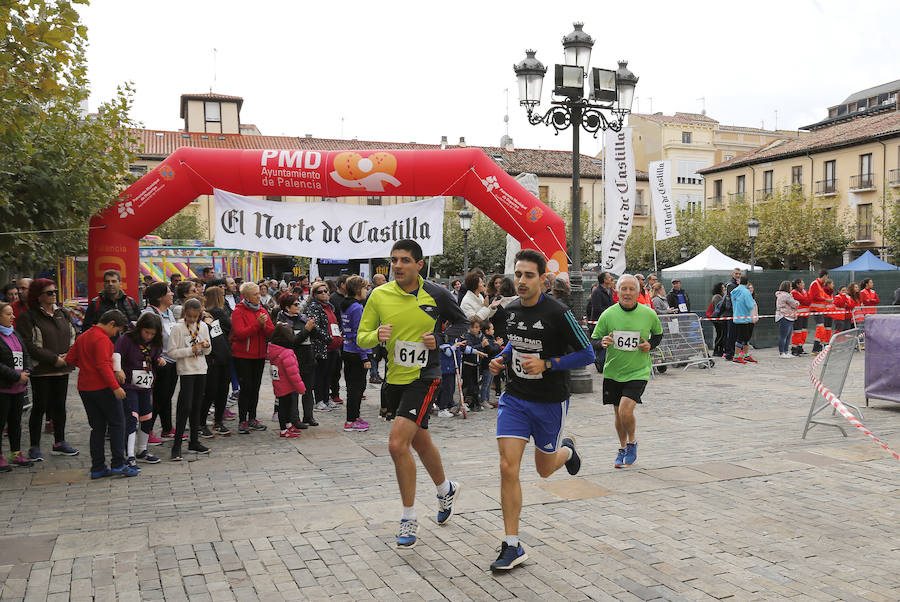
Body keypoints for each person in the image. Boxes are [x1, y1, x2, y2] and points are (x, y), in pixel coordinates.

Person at [487, 249, 594, 570]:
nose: (521, 281)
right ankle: (512, 544)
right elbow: (515, 342)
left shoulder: (559, 313)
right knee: (508, 467)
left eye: (528, 275)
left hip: (550, 401)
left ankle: (567, 451)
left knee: (544, 469)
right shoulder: (512, 309)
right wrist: (502, 359)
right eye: (517, 274)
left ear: (543, 279)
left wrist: (548, 363)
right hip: (515, 398)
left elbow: (588, 353)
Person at [356, 239, 467, 549]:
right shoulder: (379, 295)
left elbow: (462, 322)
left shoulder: (437, 294)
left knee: (396, 444)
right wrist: (376, 335)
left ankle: (408, 517)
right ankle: (445, 488)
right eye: (394, 260)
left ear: (419, 265)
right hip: (395, 379)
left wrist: (441, 338)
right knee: (419, 440)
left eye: (405, 260)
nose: (398, 265)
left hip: (425, 376)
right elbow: (362, 337)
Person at [591, 274, 663, 470]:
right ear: (617, 291)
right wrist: (602, 342)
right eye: (624, 289)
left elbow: (658, 334)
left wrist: (651, 345)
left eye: (632, 289)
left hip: (638, 371)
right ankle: (622, 448)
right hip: (613, 371)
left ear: (638, 292)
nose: (628, 293)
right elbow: (594, 339)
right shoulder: (608, 314)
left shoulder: (649, 314)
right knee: (618, 414)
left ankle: (632, 442)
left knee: (625, 410)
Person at [66, 309, 138, 478]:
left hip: (85, 388)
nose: (116, 334)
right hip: (103, 388)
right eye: (117, 330)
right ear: (111, 323)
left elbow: (70, 358)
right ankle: (118, 464)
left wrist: (85, 366)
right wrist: (115, 387)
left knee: (97, 428)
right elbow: (103, 366)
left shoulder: (83, 336)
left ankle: (97, 467)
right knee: (117, 424)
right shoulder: (103, 339)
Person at [17, 279, 78, 462]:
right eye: (49, 293)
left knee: (60, 406)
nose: (54, 295)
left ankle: (59, 442)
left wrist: (69, 356)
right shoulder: (29, 317)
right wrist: (53, 359)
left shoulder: (63, 313)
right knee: (40, 406)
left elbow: (74, 333)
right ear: (39, 296)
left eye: (54, 292)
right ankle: (34, 446)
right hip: (42, 369)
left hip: (63, 368)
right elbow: (27, 344)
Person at [114, 313, 165, 466]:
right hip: (129, 385)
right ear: (140, 328)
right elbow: (116, 354)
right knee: (132, 418)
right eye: (146, 332)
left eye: (152, 334)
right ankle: (129, 454)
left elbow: (155, 356)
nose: (148, 336)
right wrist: (118, 370)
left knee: (146, 417)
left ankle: (142, 450)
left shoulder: (155, 343)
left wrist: (159, 360)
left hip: (146, 385)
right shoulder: (127, 339)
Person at [167, 298, 211, 460]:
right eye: (190, 316)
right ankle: (177, 445)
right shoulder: (178, 328)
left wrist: (205, 346)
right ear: (185, 313)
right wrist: (190, 350)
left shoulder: (204, 326)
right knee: (185, 407)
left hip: (201, 369)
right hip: (186, 371)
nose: (192, 319)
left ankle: (194, 441)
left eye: (195, 316)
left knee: (197, 406)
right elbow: (171, 352)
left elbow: (208, 351)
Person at [231, 282, 274, 434]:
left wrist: (263, 326)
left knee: (255, 388)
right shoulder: (238, 312)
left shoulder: (261, 309)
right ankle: (242, 420)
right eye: (255, 294)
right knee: (246, 388)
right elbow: (240, 333)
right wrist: (257, 324)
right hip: (243, 356)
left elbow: (271, 331)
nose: (259, 296)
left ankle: (252, 418)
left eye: (258, 293)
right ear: (246, 297)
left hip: (259, 355)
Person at [0, 302, 35, 470]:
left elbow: (25, 353)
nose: (13, 317)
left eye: (12, 313)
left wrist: (27, 371)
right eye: (8, 314)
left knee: (16, 422)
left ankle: (16, 453)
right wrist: (16, 376)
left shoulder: (14, 333)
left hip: (19, 388)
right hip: (3, 387)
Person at [142, 282, 178, 443]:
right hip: (159, 362)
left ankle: (167, 428)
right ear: (159, 297)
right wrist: (155, 357)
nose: (172, 294)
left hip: (172, 359)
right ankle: (146, 431)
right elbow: (144, 340)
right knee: (157, 398)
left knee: (167, 396)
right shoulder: (149, 315)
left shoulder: (168, 311)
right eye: (169, 292)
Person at [277, 294, 318, 427]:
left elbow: (314, 334)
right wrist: (306, 330)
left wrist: (313, 327)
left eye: (298, 304)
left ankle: (309, 416)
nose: (298, 306)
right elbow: (292, 342)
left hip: (308, 358)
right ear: (287, 307)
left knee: (308, 389)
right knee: (293, 391)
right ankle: (295, 418)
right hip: (292, 361)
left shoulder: (303, 318)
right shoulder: (282, 322)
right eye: (295, 305)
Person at [340, 276, 371, 432]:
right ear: (358, 290)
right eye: (365, 288)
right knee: (356, 388)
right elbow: (359, 334)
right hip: (357, 352)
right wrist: (365, 356)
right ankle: (351, 420)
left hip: (347, 349)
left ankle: (354, 416)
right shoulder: (357, 308)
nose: (367, 291)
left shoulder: (346, 305)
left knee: (354, 387)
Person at [305, 281, 342, 412]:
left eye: (326, 291)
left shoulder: (330, 306)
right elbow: (313, 326)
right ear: (314, 294)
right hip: (321, 346)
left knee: (329, 374)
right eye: (320, 292)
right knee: (320, 374)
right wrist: (327, 338)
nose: (325, 293)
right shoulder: (313, 307)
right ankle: (319, 400)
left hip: (333, 346)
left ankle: (326, 398)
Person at [202, 287, 233, 437]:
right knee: (213, 391)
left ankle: (216, 421)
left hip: (222, 355)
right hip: (215, 357)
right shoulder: (216, 313)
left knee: (219, 391)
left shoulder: (211, 315)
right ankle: (207, 423)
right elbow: (229, 326)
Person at [267, 324, 307, 438]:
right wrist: (301, 388)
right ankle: (284, 429)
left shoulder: (274, 350)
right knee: (285, 407)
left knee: (285, 406)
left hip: (279, 383)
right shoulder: (286, 353)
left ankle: (288, 425)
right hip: (286, 385)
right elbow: (293, 374)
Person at [328, 275, 349, 406]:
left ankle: (346, 390)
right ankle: (334, 393)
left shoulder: (349, 298)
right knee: (335, 367)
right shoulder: (333, 298)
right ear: (342, 285)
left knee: (346, 365)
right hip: (337, 336)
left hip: (348, 337)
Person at [730, 277, 756, 363]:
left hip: (737, 317)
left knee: (743, 337)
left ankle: (746, 355)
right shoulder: (746, 292)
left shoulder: (734, 291)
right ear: (747, 283)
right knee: (743, 338)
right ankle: (737, 356)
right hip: (745, 317)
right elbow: (750, 305)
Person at [807, 269, 832, 353]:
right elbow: (813, 297)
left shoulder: (819, 285)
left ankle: (817, 347)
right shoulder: (815, 284)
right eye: (827, 276)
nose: (827, 278)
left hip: (820, 310)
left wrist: (827, 300)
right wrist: (826, 300)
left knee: (820, 328)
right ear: (824, 276)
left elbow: (820, 296)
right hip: (816, 309)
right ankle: (816, 347)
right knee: (820, 328)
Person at [775, 281, 799, 359]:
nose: (791, 288)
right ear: (787, 287)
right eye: (790, 286)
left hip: (790, 317)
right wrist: (797, 303)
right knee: (783, 336)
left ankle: (786, 352)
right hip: (785, 317)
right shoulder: (786, 296)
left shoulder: (786, 295)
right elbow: (795, 304)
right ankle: (782, 352)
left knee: (788, 337)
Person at [721, 267, 742, 361]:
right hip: (731, 312)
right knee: (731, 334)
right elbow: (735, 298)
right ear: (733, 274)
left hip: (736, 312)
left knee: (735, 334)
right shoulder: (731, 285)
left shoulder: (736, 284)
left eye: (739, 274)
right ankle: (729, 353)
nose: (737, 275)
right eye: (736, 273)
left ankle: (732, 352)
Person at [790, 279, 811, 356]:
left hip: (805, 314)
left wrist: (806, 300)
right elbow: (804, 300)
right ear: (798, 284)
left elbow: (809, 300)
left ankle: (800, 347)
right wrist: (806, 300)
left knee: (804, 332)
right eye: (802, 283)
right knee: (797, 332)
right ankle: (794, 349)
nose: (804, 284)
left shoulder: (804, 291)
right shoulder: (793, 293)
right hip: (798, 315)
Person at [707, 283, 727, 357]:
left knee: (720, 334)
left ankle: (719, 350)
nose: (724, 288)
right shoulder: (717, 297)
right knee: (720, 334)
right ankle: (717, 350)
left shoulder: (720, 296)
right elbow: (718, 309)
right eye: (723, 287)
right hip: (717, 320)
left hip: (718, 319)